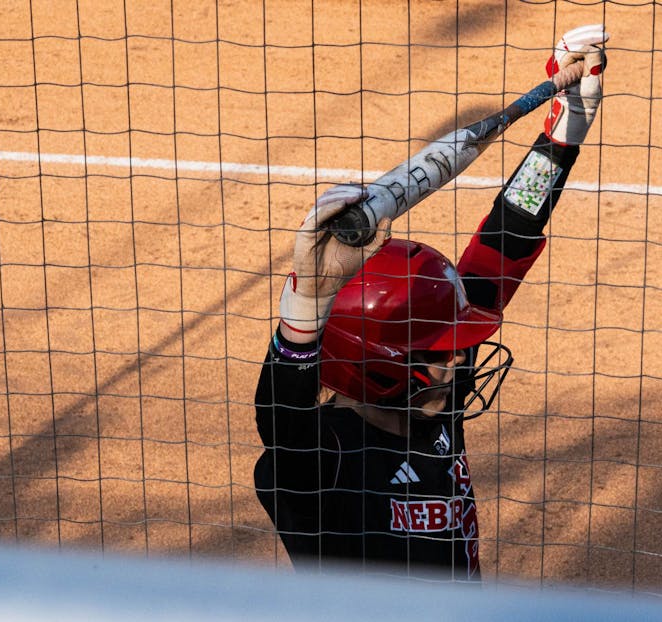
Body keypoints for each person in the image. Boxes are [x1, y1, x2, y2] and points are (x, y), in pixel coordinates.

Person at [254, 25, 608, 581]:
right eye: (443, 351)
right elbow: (280, 417)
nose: (460, 362)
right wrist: (307, 303)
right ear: (378, 365)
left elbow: (503, 245)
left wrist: (564, 134)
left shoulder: (430, 403)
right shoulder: (322, 462)